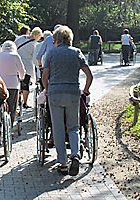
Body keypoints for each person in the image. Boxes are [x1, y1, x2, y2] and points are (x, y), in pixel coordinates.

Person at [42, 26, 93, 176]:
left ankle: (63, 163)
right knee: (74, 127)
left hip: (55, 94)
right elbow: (89, 75)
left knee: (58, 128)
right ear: (70, 39)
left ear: (56, 39)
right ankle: (75, 155)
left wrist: (47, 88)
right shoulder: (76, 52)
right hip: (73, 93)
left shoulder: (51, 53)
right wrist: (86, 90)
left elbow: (45, 77)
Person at [0, 40, 26, 125]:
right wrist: (21, 78)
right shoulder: (15, 56)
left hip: (0, 83)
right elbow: (22, 71)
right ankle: (10, 124)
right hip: (13, 84)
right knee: (12, 106)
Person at [14, 27, 43, 108]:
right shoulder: (34, 45)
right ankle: (25, 103)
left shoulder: (20, 38)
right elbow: (35, 58)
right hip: (27, 66)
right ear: (37, 36)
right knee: (25, 84)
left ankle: (17, 100)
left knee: (17, 83)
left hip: (16, 63)